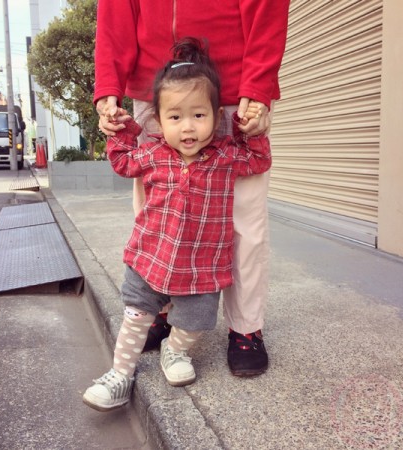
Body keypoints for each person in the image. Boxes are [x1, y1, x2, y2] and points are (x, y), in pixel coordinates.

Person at [94, 0, 290, 376]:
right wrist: (108, 85)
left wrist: (260, 82)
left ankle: (245, 327)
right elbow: (116, 10)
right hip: (156, 87)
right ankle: (162, 310)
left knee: (243, 221)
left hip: (231, 88)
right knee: (156, 216)